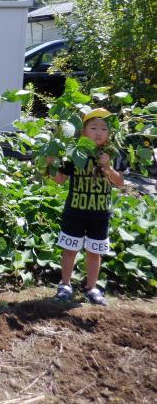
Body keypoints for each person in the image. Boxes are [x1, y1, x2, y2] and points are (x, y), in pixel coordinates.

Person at [50, 108, 125, 306]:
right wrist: (50, 163)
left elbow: (120, 183)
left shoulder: (112, 154)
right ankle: (65, 284)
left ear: (110, 133)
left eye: (104, 128)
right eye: (93, 127)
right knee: (69, 250)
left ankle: (91, 288)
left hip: (100, 214)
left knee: (95, 253)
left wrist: (107, 168)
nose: (99, 132)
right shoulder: (75, 154)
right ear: (83, 132)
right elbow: (58, 179)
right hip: (75, 211)